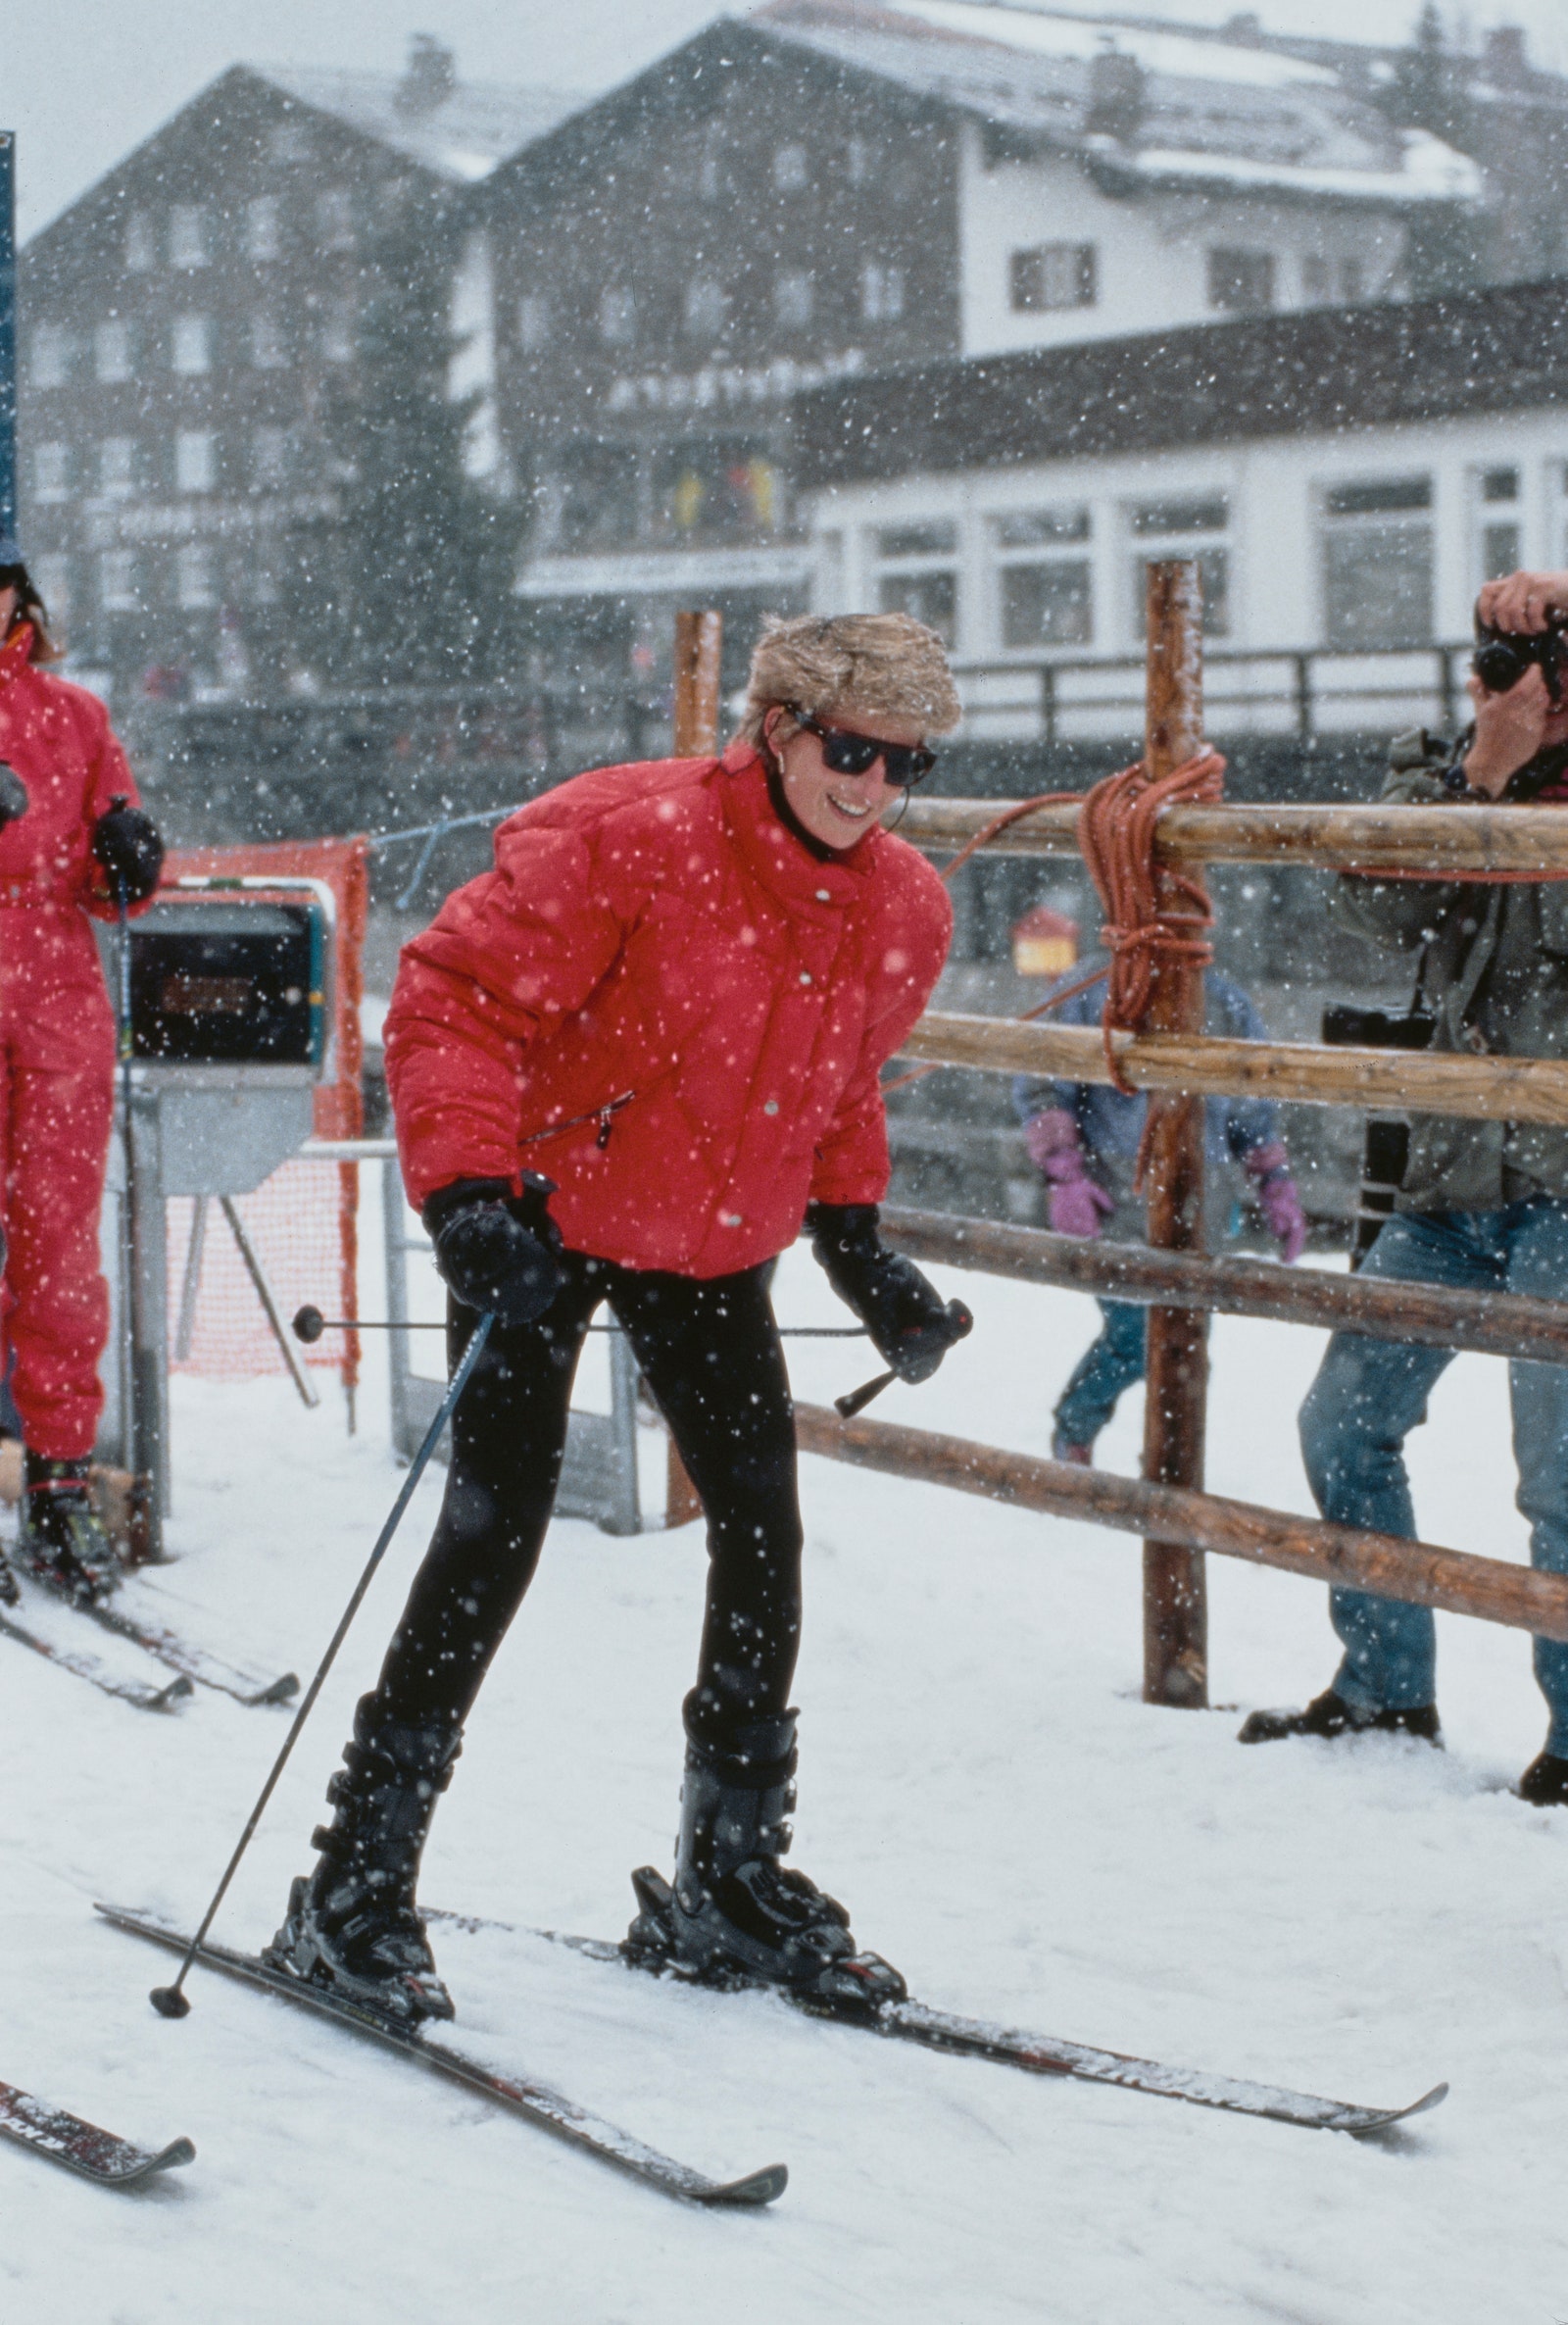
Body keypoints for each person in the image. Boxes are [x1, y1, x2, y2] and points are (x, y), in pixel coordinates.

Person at [266, 613, 973, 2023]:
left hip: (706, 1239)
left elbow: (836, 1080)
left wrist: (857, 1248)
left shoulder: (903, 907)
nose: (875, 788)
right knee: (493, 1528)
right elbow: (454, 999)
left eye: (908, 763)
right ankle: (355, 1880)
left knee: (762, 1523)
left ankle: (729, 1874)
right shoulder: (629, 835)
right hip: (533, 1207)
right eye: (852, 751)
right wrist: (467, 1193)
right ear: (777, 727)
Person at [1241, 567, 1568, 1806]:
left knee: (1560, 1485)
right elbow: (1366, 919)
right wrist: (1485, 775)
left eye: (1534, 661)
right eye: (1492, 657)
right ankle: (1385, 1687)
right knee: (1342, 1423)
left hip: (1564, 1186)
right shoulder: (1436, 769)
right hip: (1443, 1177)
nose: (1509, 682)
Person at [0, 539, 163, 1607]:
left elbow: (112, 881)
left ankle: (60, 1490)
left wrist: (131, 850)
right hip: (46, 997)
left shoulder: (74, 717)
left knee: (59, 1246)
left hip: (54, 1001)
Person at [1013, 968, 1305, 1463]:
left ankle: (1170, 1459)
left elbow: (1251, 1107)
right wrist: (1065, 1172)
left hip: (1201, 1199)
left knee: (1187, 1340)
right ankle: (1076, 1429)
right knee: (1134, 1335)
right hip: (1119, 1192)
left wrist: (1275, 1183)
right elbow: (1043, 1083)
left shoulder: (1221, 998)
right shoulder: (1089, 992)